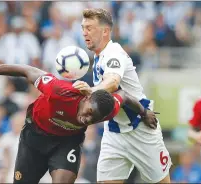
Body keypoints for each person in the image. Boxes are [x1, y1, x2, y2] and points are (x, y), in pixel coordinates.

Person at [0, 64, 158, 183]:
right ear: (87, 97)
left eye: (93, 119)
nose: (87, 120)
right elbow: (26, 71)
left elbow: (123, 96)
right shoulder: (59, 91)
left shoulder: (106, 109)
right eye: (89, 113)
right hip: (34, 138)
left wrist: (144, 112)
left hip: (67, 142)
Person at [74, 8, 172, 183]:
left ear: (105, 31)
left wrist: (92, 90)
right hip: (114, 130)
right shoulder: (98, 56)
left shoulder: (114, 54)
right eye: (83, 28)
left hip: (140, 126)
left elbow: (112, 82)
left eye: (89, 28)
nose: (84, 33)